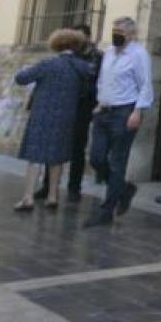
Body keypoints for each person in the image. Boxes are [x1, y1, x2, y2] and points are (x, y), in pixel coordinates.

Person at [12, 29, 94, 211]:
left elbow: (21, 79)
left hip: (42, 114)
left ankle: (28, 197)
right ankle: (52, 196)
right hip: (67, 116)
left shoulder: (48, 64)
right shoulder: (82, 67)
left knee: (34, 157)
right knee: (57, 158)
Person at [84, 16, 154, 228]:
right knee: (96, 158)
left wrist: (138, 111)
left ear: (131, 35)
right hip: (104, 111)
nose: (116, 35)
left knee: (117, 162)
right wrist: (99, 102)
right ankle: (123, 189)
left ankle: (107, 210)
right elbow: (104, 80)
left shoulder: (138, 55)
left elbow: (145, 85)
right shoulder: (108, 53)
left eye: (121, 32)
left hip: (124, 112)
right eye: (114, 30)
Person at [35, 23, 102, 203]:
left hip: (82, 106)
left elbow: (94, 79)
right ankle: (48, 186)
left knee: (77, 149)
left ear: (87, 37)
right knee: (53, 145)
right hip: (63, 104)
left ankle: (74, 188)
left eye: (79, 38)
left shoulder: (95, 57)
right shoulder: (66, 55)